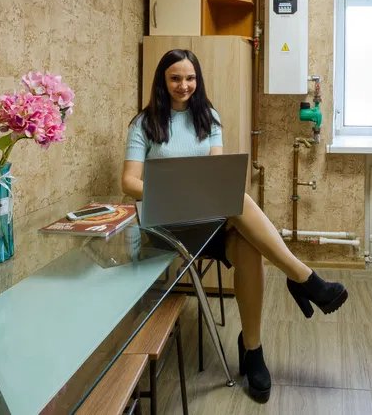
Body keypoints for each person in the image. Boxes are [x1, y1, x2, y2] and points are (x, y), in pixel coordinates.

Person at [122, 49, 348, 404]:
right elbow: (129, 183)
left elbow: (215, 176)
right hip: (167, 226)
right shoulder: (144, 123)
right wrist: (176, 188)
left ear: (198, 80)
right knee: (239, 202)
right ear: (162, 82)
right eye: (175, 78)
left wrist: (200, 190)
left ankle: (253, 348)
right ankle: (303, 278)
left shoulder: (208, 117)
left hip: (207, 220)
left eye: (190, 78)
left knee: (246, 241)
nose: (184, 85)